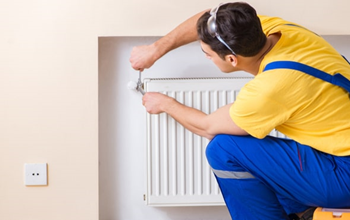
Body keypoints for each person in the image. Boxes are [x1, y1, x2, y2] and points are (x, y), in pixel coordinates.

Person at [130, 2, 350, 220]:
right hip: (335, 152)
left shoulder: (271, 87)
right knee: (259, 159)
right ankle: (302, 213)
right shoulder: (277, 31)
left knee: (224, 149)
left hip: (344, 174)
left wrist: (165, 104)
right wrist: (155, 49)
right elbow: (210, 18)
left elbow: (207, 127)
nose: (205, 56)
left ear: (232, 60)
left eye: (207, 53)